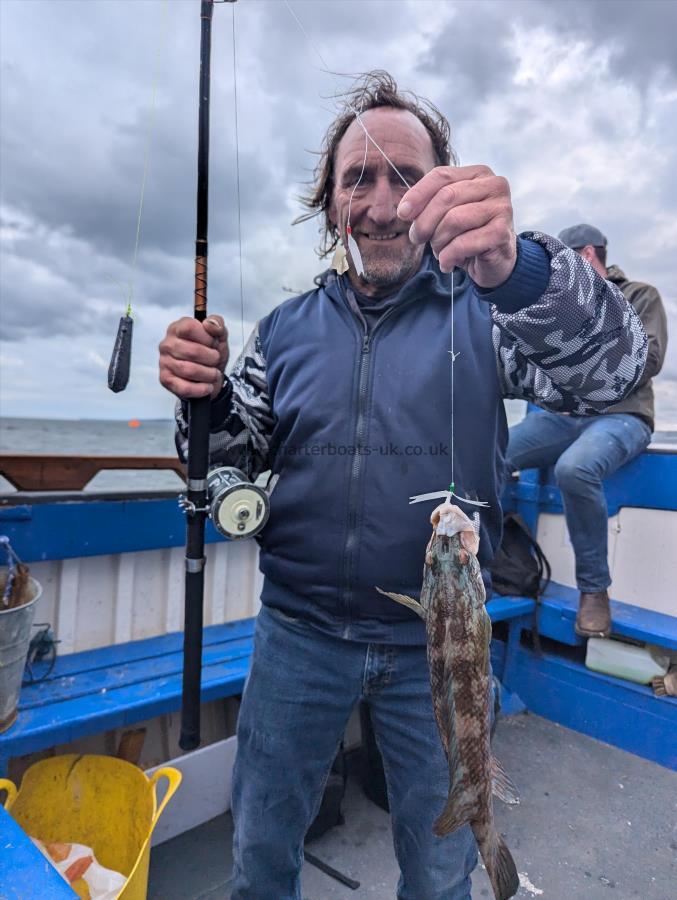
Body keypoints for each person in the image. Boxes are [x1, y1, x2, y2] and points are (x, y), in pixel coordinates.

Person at [158, 74, 647, 900]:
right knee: (261, 847)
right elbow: (230, 455)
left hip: (441, 653)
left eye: (405, 177)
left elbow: (614, 371)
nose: (382, 203)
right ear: (330, 208)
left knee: (439, 866)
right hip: (296, 636)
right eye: (358, 178)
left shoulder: (495, 313)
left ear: (441, 193)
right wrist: (198, 398)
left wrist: (519, 268)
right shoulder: (280, 331)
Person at [505, 224, 667, 639]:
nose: (561, 271)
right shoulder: (564, 299)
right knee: (491, 451)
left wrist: (586, 360)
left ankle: (594, 591)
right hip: (564, 415)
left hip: (624, 415)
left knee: (575, 469)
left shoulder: (641, 294)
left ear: (590, 253)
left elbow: (647, 360)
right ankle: (494, 560)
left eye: (568, 259)